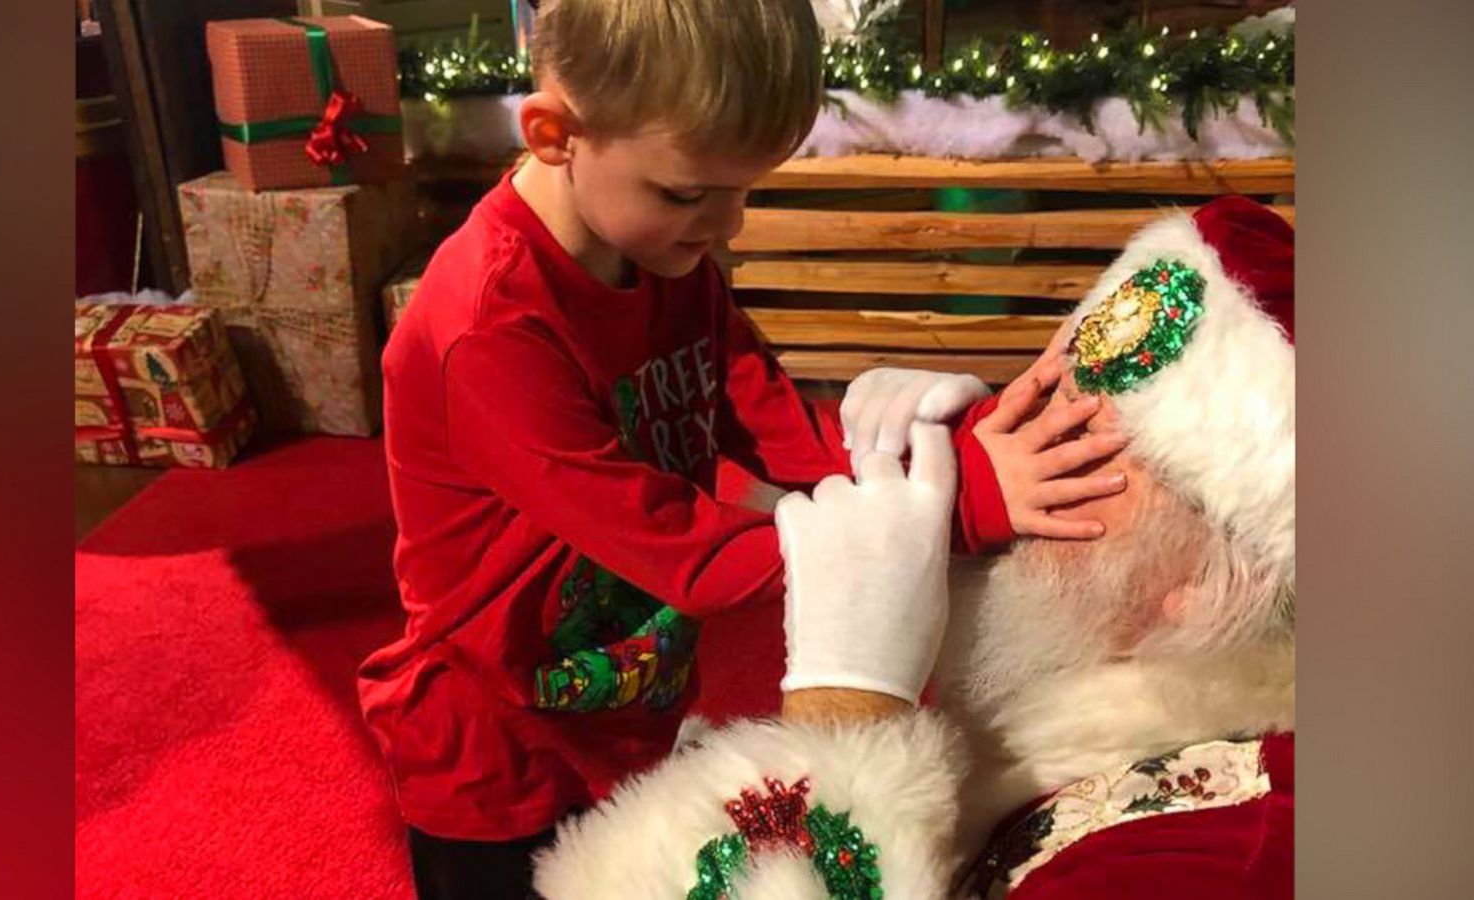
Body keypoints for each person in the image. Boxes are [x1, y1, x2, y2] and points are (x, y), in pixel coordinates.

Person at [359, 2, 1128, 896]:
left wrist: (943, 457)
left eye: (745, 189)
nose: (729, 227)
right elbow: (682, 545)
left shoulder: (655, 254)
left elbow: (772, 422)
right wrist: (957, 513)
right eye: (689, 194)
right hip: (496, 746)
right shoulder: (486, 329)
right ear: (555, 134)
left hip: (627, 704)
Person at [532, 195, 1296, 899]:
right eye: (1060, 397)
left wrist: (847, 713)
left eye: (1091, 447)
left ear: (1224, 581)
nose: (1034, 444)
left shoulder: (1219, 858)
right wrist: (943, 463)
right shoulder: (1118, 685)